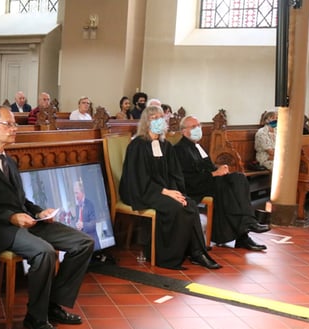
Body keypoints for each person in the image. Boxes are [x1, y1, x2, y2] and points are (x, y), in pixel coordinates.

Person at [0, 105, 94, 329]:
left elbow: (21, 200)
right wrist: (10, 217)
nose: (14, 128)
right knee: (44, 252)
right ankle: (36, 317)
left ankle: (54, 304)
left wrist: (40, 212)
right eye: (8, 124)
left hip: (24, 222)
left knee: (83, 243)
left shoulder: (9, 161)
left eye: (14, 124)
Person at [119, 105, 221, 270]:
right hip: (140, 190)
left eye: (161, 117)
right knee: (175, 207)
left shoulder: (165, 145)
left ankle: (196, 252)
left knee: (189, 204)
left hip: (163, 190)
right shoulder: (137, 145)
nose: (158, 121)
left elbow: (175, 174)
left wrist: (176, 191)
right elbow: (138, 178)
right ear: (146, 122)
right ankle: (167, 257)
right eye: (154, 118)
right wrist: (166, 192)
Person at [174, 115, 270, 251]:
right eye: (194, 127)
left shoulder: (198, 147)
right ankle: (244, 232)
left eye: (199, 126)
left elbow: (208, 166)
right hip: (195, 186)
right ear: (184, 131)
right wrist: (213, 174)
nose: (198, 129)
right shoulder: (179, 149)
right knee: (226, 188)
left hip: (209, 181)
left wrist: (220, 169)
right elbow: (186, 178)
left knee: (239, 178)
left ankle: (248, 225)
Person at [73, 180, 101, 249]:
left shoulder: (90, 204)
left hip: (92, 243)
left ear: (82, 192)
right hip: (83, 243)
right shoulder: (77, 207)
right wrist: (76, 224)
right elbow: (77, 221)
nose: (75, 196)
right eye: (74, 193)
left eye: (77, 193)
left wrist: (83, 225)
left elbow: (93, 224)